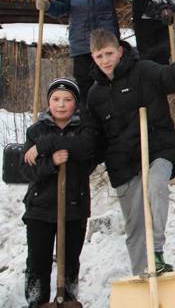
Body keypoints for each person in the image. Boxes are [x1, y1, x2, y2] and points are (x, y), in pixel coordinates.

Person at [86, 28, 175, 275]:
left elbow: (168, 77)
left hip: (158, 148)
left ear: (119, 50)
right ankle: (143, 275)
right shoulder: (95, 95)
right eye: (99, 56)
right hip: (123, 163)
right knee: (135, 225)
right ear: (93, 58)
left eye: (109, 53)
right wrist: (83, 162)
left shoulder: (143, 71)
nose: (105, 60)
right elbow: (95, 138)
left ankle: (156, 250)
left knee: (156, 185)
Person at [20, 78, 101, 307]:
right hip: (40, 209)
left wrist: (50, 148)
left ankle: (67, 298)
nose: (61, 104)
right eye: (56, 99)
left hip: (74, 207)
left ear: (76, 104)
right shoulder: (36, 131)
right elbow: (26, 169)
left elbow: (87, 156)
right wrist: (52, 162)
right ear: (48, 103)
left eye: (68, 100)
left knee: (70, 261)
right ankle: (37, 301)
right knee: (38, 261)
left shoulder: (85, 129)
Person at [36, 0, 126, 102]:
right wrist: (48, 6)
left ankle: (112, 122)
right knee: (85, 87)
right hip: (81, 42)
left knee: (110, 84)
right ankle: (88, 121)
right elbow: (61, 7)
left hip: (105, 42)